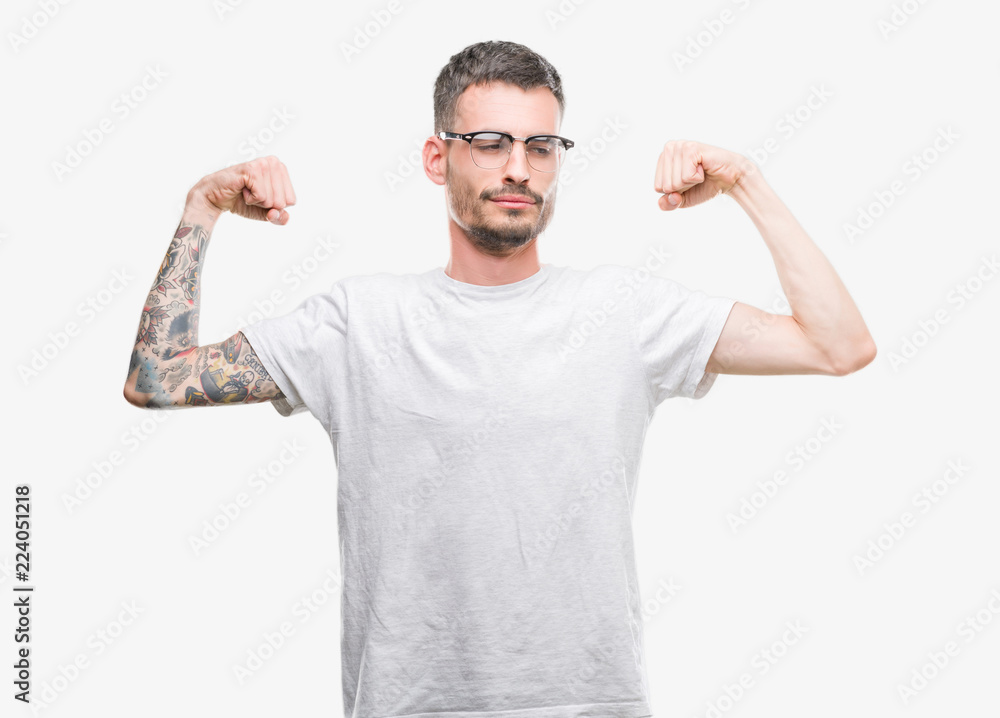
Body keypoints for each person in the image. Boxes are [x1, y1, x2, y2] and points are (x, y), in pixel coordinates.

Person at [123, 39, 875, 718]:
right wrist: (203, 208)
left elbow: (838, 346)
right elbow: (158, 377)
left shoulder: (623, 310)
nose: (519, 167)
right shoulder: (358, 322)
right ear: (435, 157)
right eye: (489, 143)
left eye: (541, 146)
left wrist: (747, 180)